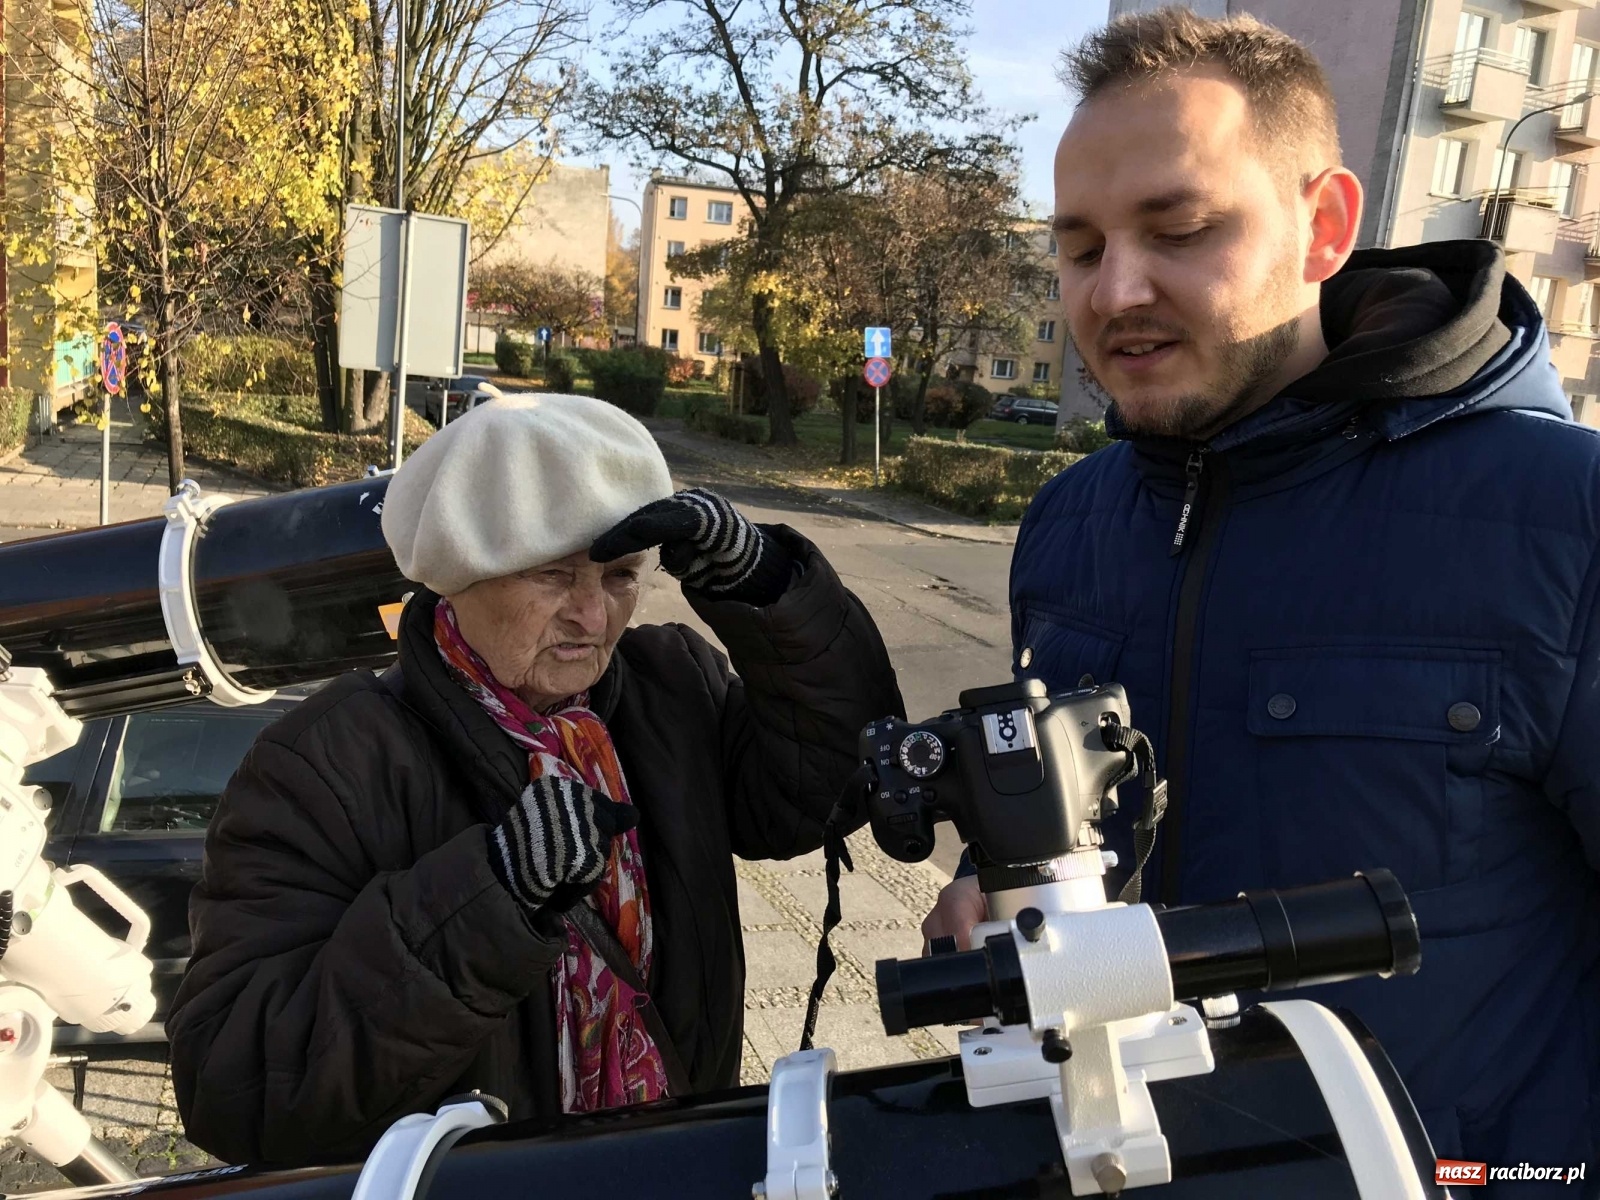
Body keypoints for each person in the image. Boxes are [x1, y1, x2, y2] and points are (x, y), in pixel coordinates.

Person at [921, 7, 1600, 1185]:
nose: (1113, 290)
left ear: (1323, 226)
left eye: (1177, 229)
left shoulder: (1563, 516)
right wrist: (1003, 882)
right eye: (1079, 248)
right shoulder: (1069, 525)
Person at [166, 393, 904, 1165]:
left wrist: (771, 591)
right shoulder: (325, 764)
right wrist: (491, 894)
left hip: (675, 1165)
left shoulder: (672, 684)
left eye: (619, 574)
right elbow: (230, 1085)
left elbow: (826, 788)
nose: (593, 616)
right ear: (460, 576)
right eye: (554, 576)